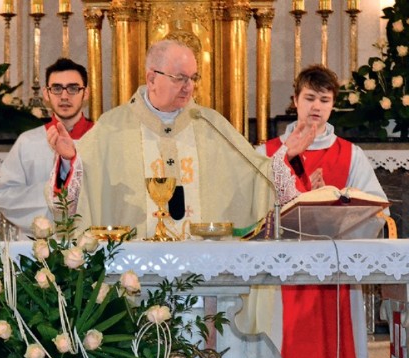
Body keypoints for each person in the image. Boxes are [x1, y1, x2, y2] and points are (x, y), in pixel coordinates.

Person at [47, 39, 312, 238]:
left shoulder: (210, 123)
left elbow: (255, 175)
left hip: (202, 271)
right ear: (152, 78)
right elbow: (80, 195)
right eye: (180, 78)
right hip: (135, 275)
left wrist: (284, 157)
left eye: (193, 78)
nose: (189, 86)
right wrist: (71, 160)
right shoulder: (112, 127)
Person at [255, 65, 387, 358]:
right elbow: (251, 207)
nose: (316, 106)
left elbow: (376, 210)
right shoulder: (267, 153)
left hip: (335, 276)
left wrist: (334, 198)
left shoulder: (350, 154)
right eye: (309, 97)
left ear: (332, 105)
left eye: (324, 100)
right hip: (281, 278)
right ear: (295, 101)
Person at [0, 58, 93, 237]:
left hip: (91, 244)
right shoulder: (28, 142)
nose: (64, 96)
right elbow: (4, 197)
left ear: (85, 93)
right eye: (56, 88)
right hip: (40, 248)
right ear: (46, 94)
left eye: (73, 88)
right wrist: (53, 193)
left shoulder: (101, 139)